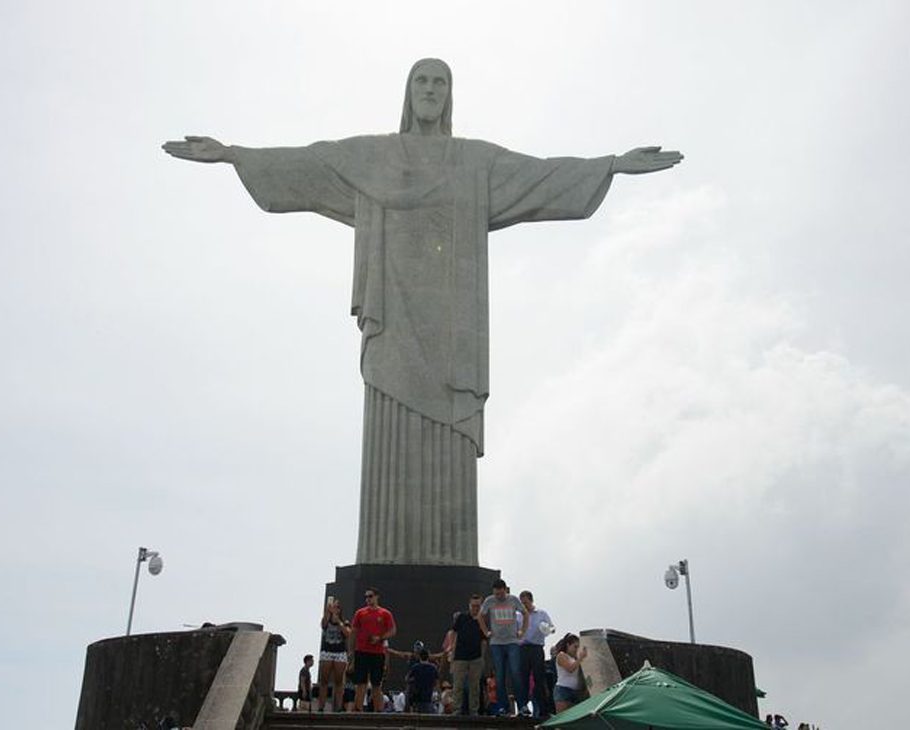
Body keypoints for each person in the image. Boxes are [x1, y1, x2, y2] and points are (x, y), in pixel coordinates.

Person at [162, 60, 683, 568]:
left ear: (450, 95)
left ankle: (447, 558)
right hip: (390, 316)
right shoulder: (374, 157)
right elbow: (310, 163)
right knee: (388, 416)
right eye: (422, 80)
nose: (430, 89)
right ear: (408, 92)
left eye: (440, 81)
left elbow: (540, 176)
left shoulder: (475, 162)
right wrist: (233, 155)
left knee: (449, 425)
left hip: (453, 329)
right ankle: (386, 552)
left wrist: (610, 164)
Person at [478, 579, 530, 716]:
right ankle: (502, 707)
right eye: (496, 594)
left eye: (501, 594)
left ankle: (523, 706)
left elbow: (525, 614)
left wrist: (522, 631)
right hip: (496, 643)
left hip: (512, 641)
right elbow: (481, 616)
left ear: (505, 590)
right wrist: (486, 632)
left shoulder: (513, 600)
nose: (499, 597)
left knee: (515, 673)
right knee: (499, 676)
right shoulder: (490, 600)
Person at [351, 587, 396, 712]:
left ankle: (378, 712)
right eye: (366, 597)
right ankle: (358, 709)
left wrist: (380, 638)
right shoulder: (360, 613)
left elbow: (392, 631)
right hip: (361, 651)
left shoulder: (385, 613)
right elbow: (354, 632)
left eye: (370, 596)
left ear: (377, 597)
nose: (368, 599)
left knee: (376, 684)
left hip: (377, 653)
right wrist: (351, 651)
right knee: (361, 683)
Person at [447, 593, 487, 715]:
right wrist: (452, 647)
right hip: (460, 656)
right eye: (473, 606)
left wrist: (482, 656)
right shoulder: (461, 617)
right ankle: (457, 709)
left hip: (476, 657)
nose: (475, 608)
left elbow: (484, 640)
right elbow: (452, 632)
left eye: (478, 606)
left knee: (474, 686)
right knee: (458, 685)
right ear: (469, 605)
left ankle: (473, 710)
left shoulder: (483, 620)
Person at [517, 590, 554, 718]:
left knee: (539, 679)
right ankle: (523, 709)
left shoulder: (541, 614)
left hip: (537, 649)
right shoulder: (518, 616)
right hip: (522, 649)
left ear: (531, 601)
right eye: (521, 603)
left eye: (525, 603)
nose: (523, 606)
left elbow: (552, 628)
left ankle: (543, 710)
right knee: (523, 679)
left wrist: (546, 629)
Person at [317, 596, 351, 711]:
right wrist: (328, 610)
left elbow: (348, 634)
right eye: (334, 607)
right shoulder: (326, 619)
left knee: (339, 681)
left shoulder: (345, 622)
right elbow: (323, 624)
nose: (335, 609)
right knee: (324, 680)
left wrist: (339, 623)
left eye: (337, 607)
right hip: (327, 651)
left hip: (340, 653)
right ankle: (321, 707)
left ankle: (338, 707)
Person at [553, 634, 587, 713]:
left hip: (576, 692)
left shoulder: (574, 658)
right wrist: (580, 658)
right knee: (562, 718)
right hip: (563, 690)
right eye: (575, 647)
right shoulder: (561, 655)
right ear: (568, 645)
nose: (577, 649)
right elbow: (570, 669)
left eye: (578, 647)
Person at [405, 648, 439, 713]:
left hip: (417, 697)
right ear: (428, 656)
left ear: (419, 656)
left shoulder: (415, 667)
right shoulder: (433, 668)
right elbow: (437, 683)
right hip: (429, 697)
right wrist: (439, 696)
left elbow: (407, 679)